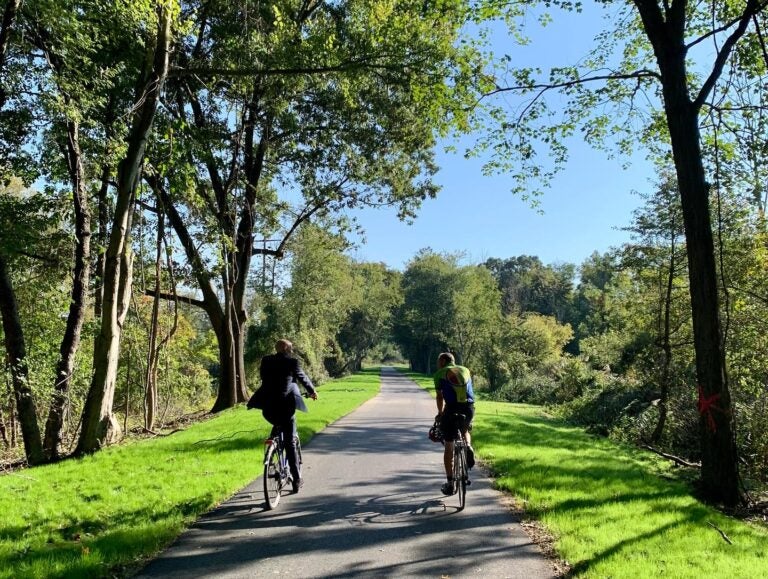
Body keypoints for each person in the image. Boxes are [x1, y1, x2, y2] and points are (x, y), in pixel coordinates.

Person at [248, 339, 317, 493]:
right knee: (290, 442)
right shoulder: (292, 362)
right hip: (286, 408)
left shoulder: (266, 361)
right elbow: (302, 377)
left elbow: (264, 378)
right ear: (286, 349)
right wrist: (312, 391)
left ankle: (272, 446)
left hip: (268, 408)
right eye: (291, 348)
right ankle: (297, 479)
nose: (292, 351)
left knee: (277, 424)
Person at [433, 352, 475, 496]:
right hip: (469, 408)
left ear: (444, 361)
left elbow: (439, 396)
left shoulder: (440, 374)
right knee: (465, 429)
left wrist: (440, 413)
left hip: (451, 409)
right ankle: (468, 446)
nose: (437, 364)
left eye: (439, 361)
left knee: (449, 445)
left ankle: (450, 483)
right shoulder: (465, 370)